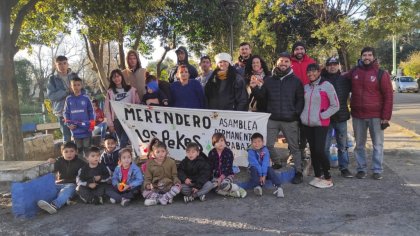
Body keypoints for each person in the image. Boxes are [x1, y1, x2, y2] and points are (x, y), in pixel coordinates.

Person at [250, 52, 305, 184]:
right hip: (273, 118)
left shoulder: (296, 81)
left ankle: (298, 172)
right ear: (277, 63)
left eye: (286, 61)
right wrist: (254, 89)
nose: (283, 64)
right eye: (281, 61)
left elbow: (300, 100)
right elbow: (261, 97)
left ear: (290, 64)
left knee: (294, 147)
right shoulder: (269, 80)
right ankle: (277, 162)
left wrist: (295, 113)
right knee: (268, 144)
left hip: (290, 120)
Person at [344, 47, 393, 180]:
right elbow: (339, 78)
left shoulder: (381, 73)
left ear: (374, 57)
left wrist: (386, 117)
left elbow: (388, 96)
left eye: (369, 55)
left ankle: (377, 170)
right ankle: (361, 169)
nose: (367, 57)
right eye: (364, 55)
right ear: (361, 57)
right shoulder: (354, 72)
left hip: (376, 116)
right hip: (358, 115)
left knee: (378, 144)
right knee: (359, 144)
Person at [300, 63, 339, 188]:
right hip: (307, 123)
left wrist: (323, 115)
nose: (311, 74)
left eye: (314, 71)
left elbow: (335, 105)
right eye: (309, 72)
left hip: (321, 123)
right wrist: (302, 116)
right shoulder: (306, 87)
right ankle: (317, 175)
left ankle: (327, 176)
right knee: (313, 150)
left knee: (319, 150)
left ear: (319, 72)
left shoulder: (327, 86)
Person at [321, 57, 353, 178]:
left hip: (341, 117)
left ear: (338, 66)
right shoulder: (322, 80)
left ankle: (344, 168)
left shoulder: (345, 79)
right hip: (326, 118)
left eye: (335, 64)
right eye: (330, 64)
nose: (332, 66)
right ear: (326, 66)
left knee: (343, 146)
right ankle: (326, 168)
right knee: (325, 146)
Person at [37, 141, 85, 214]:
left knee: (66, 191)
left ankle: (54, 205)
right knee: (48, 187)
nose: (69, 154)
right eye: (66, 152)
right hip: (59, 184)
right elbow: (51, 169)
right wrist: (49, 161)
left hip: (72, 185)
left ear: (76, 152)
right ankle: (45, 204)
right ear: (62, 153)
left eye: (72, 151)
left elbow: (86, 174)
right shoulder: (59, 161)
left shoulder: (80, 163)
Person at [239, 133, 284, 197]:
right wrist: (261, 175)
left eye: (259, 141)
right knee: (254, 169)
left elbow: (265, 163)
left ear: (263, 142)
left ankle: (279, 188)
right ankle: (258, 186)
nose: (257, 144)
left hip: (264, 169)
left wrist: (264, 175)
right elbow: (255, 164)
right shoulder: (250, 151)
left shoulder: (265, 150)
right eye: (254, 142)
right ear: (251, 143)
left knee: (270, 169)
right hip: (255, 169)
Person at [104, 69, 140, 148]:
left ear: (121, 77)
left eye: (118, 76)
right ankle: (123, 158)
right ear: (112, 79)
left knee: (123, 141)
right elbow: (107, 109)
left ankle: (120, 157)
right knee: (121, 140)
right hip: (117, 120)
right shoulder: (110, 92)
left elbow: (138, 104)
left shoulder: (131, 90)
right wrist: (110, 124)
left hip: (129, 120)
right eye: (114, 77)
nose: (116, 79)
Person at [47, 55, 79, 142]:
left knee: (79, 135)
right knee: (66, 136)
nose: (62, 66)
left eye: (64, 63)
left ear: (67, 64)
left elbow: (83, 90)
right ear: (56, 65)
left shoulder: (74, 75)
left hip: (77, 110)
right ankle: (67, 155)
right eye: (59, 64)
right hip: (62, 111)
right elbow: (51, 96)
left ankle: (79, 155)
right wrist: (66, 91)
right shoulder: (52, 78)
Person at [142, 139, 181, 206]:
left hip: (168, 187)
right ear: (153, 153)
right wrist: (147, 185)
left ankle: (158, 200)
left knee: (178, 188)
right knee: (145, 193)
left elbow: (174, 176)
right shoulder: (149, 164)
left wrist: (177, 183)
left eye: (163, 151)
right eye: (158, 152)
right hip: (156, 188)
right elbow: (147, 178)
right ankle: (165, 198)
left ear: (166, 151)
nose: (161, 154)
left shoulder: (171, 162)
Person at [208, 133, 247, 198]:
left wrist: (221, 178)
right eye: (217, 141)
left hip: (227, 174)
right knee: (214, 188)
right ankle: (232, 194)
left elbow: (228, 167)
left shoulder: (228, 152)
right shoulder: (211, 153)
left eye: (222, 140)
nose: (220, 143)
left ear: (225, 141)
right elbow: (210, 167)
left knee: (223, 185)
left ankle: (239, 189)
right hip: (216, 177)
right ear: (214, 144)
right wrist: (214, 179)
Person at [63, 77, 94, 158]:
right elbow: (66, 113)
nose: (76, 87)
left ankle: (88, 165)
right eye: (74, 85)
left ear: (81, 86)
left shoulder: (86, 98)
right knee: (78, 149)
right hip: (75, 130)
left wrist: (92, 124)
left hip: (86, 129)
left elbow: (91, 111)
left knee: (87, 148)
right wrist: (69, 124)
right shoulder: (68, 99)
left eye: (78, 85)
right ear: (71, 86)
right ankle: (80, 166)